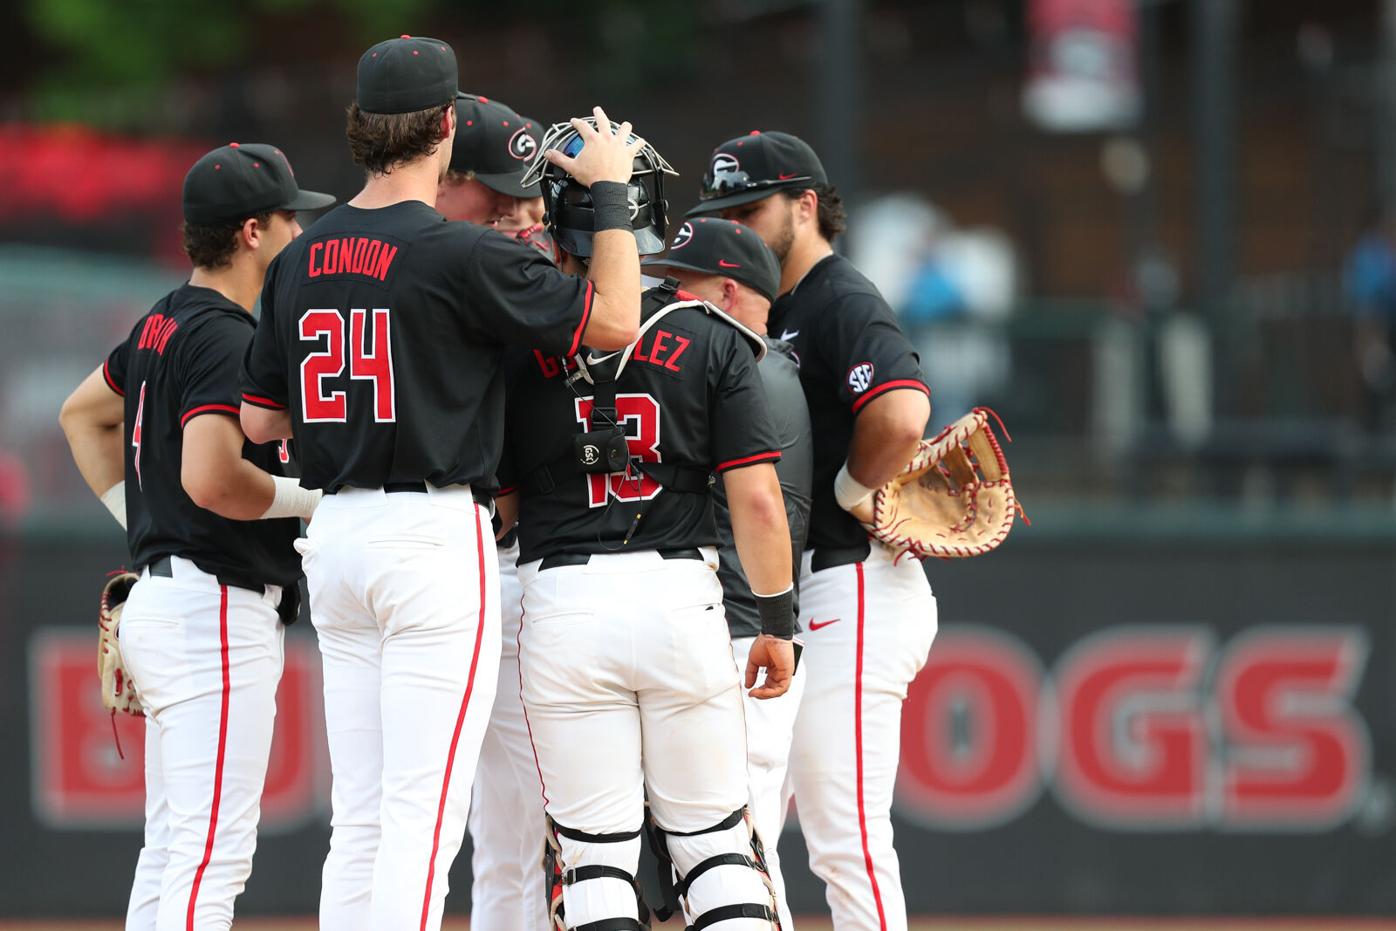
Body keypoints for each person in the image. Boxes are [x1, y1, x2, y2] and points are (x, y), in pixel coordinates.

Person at [237, 35, 644, 931]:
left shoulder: (297, 260)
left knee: (364, 818)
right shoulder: (461, 255)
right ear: (449, 128)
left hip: (335, 539)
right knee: (422, 818)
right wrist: (610, 192)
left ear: (359, 129)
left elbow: (261, 423)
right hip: (428, 541)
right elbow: (616, 320)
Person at [496, 120, 795, 931]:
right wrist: (775, 621)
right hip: (680, 596)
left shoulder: (517, 343)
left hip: (559, 600)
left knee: (595, 857)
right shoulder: (713, 335)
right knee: (715, 849)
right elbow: (758, 501)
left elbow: (505, 504)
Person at [58, 142, 332, 931]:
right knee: (211, 852)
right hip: (212, 607)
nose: (297, 232)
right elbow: (213, 480)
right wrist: (311, 500)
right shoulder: (223, 334)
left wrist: (139, 518)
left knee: (178, 845)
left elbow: (82, 415)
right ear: (251, 231)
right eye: (288, 218)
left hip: (174, 595)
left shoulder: (163, 321)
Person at [689, 130, 936, 931]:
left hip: (853, 577)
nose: (736, 224)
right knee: (748, 825)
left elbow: (902, 412)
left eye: (750, 208)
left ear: (805, 204)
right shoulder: (768, 305)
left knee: (843, 836)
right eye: (723, 211)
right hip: (796, 596)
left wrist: (854, 484)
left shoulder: (838, 295)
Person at [642, 216, 812, 930]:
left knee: (739, 855)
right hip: (741, 634)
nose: (666, 298)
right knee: (725, 857)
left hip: (745, 639)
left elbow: (755, 507)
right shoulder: (755, 363)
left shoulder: (752, 372)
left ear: (732, 294)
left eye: (684, 285)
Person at [433, 90, 551, 931]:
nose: (525, 214)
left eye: (536, 200)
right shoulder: (479, 280)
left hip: (483, 556)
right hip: (496, 558)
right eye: (508, 197)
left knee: (500, 829)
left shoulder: (459, 272)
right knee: (540, 818)